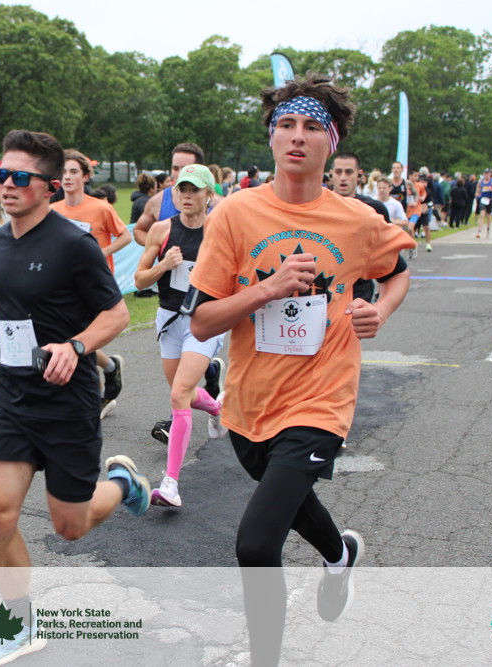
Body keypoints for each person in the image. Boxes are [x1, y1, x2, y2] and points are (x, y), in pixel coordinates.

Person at [187, 76, 412, 660]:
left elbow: (397, 270)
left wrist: (380, 310)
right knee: (287, 499)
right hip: (250, 402)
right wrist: (268, 289)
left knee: (256, 543)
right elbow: (203, 322)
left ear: (330, 144)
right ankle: (340, 556)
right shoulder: (235, 214)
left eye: (312, 126)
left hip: (322, 400)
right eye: (285, 124)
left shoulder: (358, 220)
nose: (296, 136)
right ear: (270, 137)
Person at [0, 129, 150, 667]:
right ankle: (19, 627)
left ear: (49, 186)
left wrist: (76, 346)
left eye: (20, 177)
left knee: (70, 527)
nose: (7, 184)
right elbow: (4, 305)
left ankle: (122, 483)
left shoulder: (74, 244)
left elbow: (116, 313)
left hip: (66, 400)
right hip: (11, 393)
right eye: (1, 174)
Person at [133, 164, 226, 507]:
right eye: (182, 189)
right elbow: (139, 279)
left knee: (179, 395)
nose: (187, 195)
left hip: (204, 320)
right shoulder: (162, 230)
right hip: (170, 319)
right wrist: (164, 265)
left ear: (208, 195)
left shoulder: (220, 230)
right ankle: (218, 408)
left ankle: (170, 483)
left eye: (194, 190)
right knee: (181, 393)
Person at [50, 149, 132, 418]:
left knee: (79, 339)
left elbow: (125, 236)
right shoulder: (53, 210)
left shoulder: (100, 207)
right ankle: (107, 372)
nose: (67, 177)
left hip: (95, 285)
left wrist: (100, 253)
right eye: (63, 172)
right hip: (64, 285)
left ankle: (99, 388)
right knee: (72, 339)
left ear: (85, 177)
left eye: (73, 172)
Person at [330, 152, 394, 301]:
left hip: (359, 290)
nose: (343, 177)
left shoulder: (374, 208)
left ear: (359, 175)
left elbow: (387, 254)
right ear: (331, 175)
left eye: (349, 172)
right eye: (338, 172)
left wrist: (382, 296)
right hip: (326, 287)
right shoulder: (318, 206)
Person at [475, 169, 492, 239]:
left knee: (488, 215)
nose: (486, 175)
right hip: (483, 199)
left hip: (490, 199)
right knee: (482, 215)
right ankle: (479, 231)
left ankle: (488, 230)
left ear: (490, 174)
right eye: (485, 173)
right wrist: (477, 193)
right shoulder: (481, 181)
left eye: (487, 173)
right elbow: (478, 189)